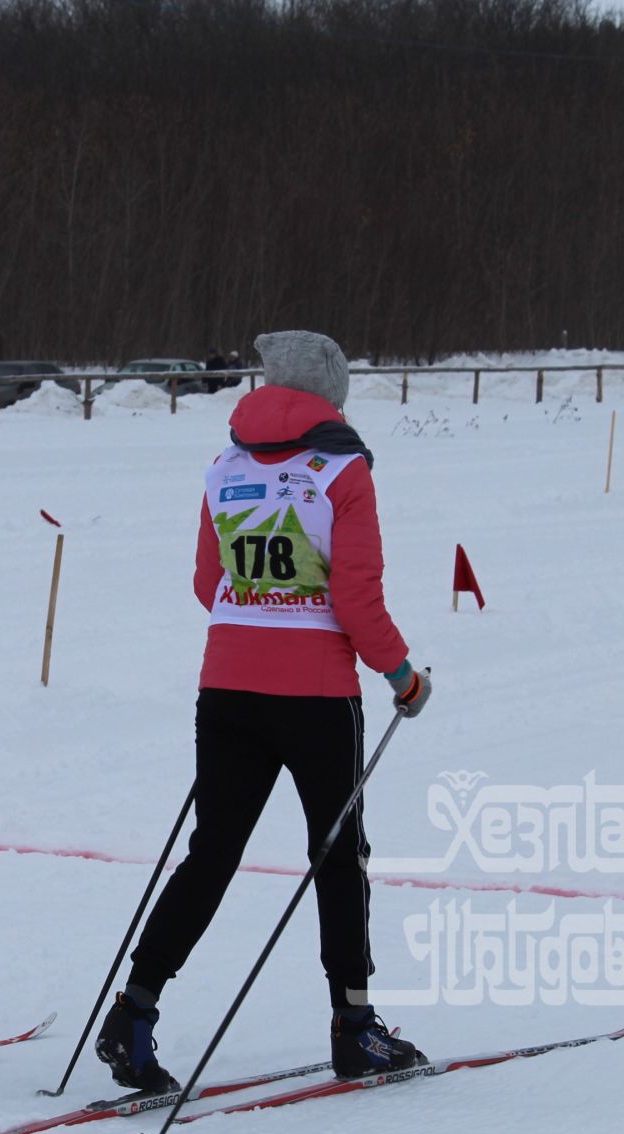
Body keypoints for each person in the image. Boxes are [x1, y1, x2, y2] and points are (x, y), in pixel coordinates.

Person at [95, 329, 431, 1093]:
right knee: (339, 857)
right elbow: (355, 600)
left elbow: (206, 584)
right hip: (315, 696)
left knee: (211, 853)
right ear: (329, 398)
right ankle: (356, 1028)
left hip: (228, 689)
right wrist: (403, 676)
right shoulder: (344, 469)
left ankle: (135, 1011)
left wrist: (258, 614)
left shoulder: (226, 466)